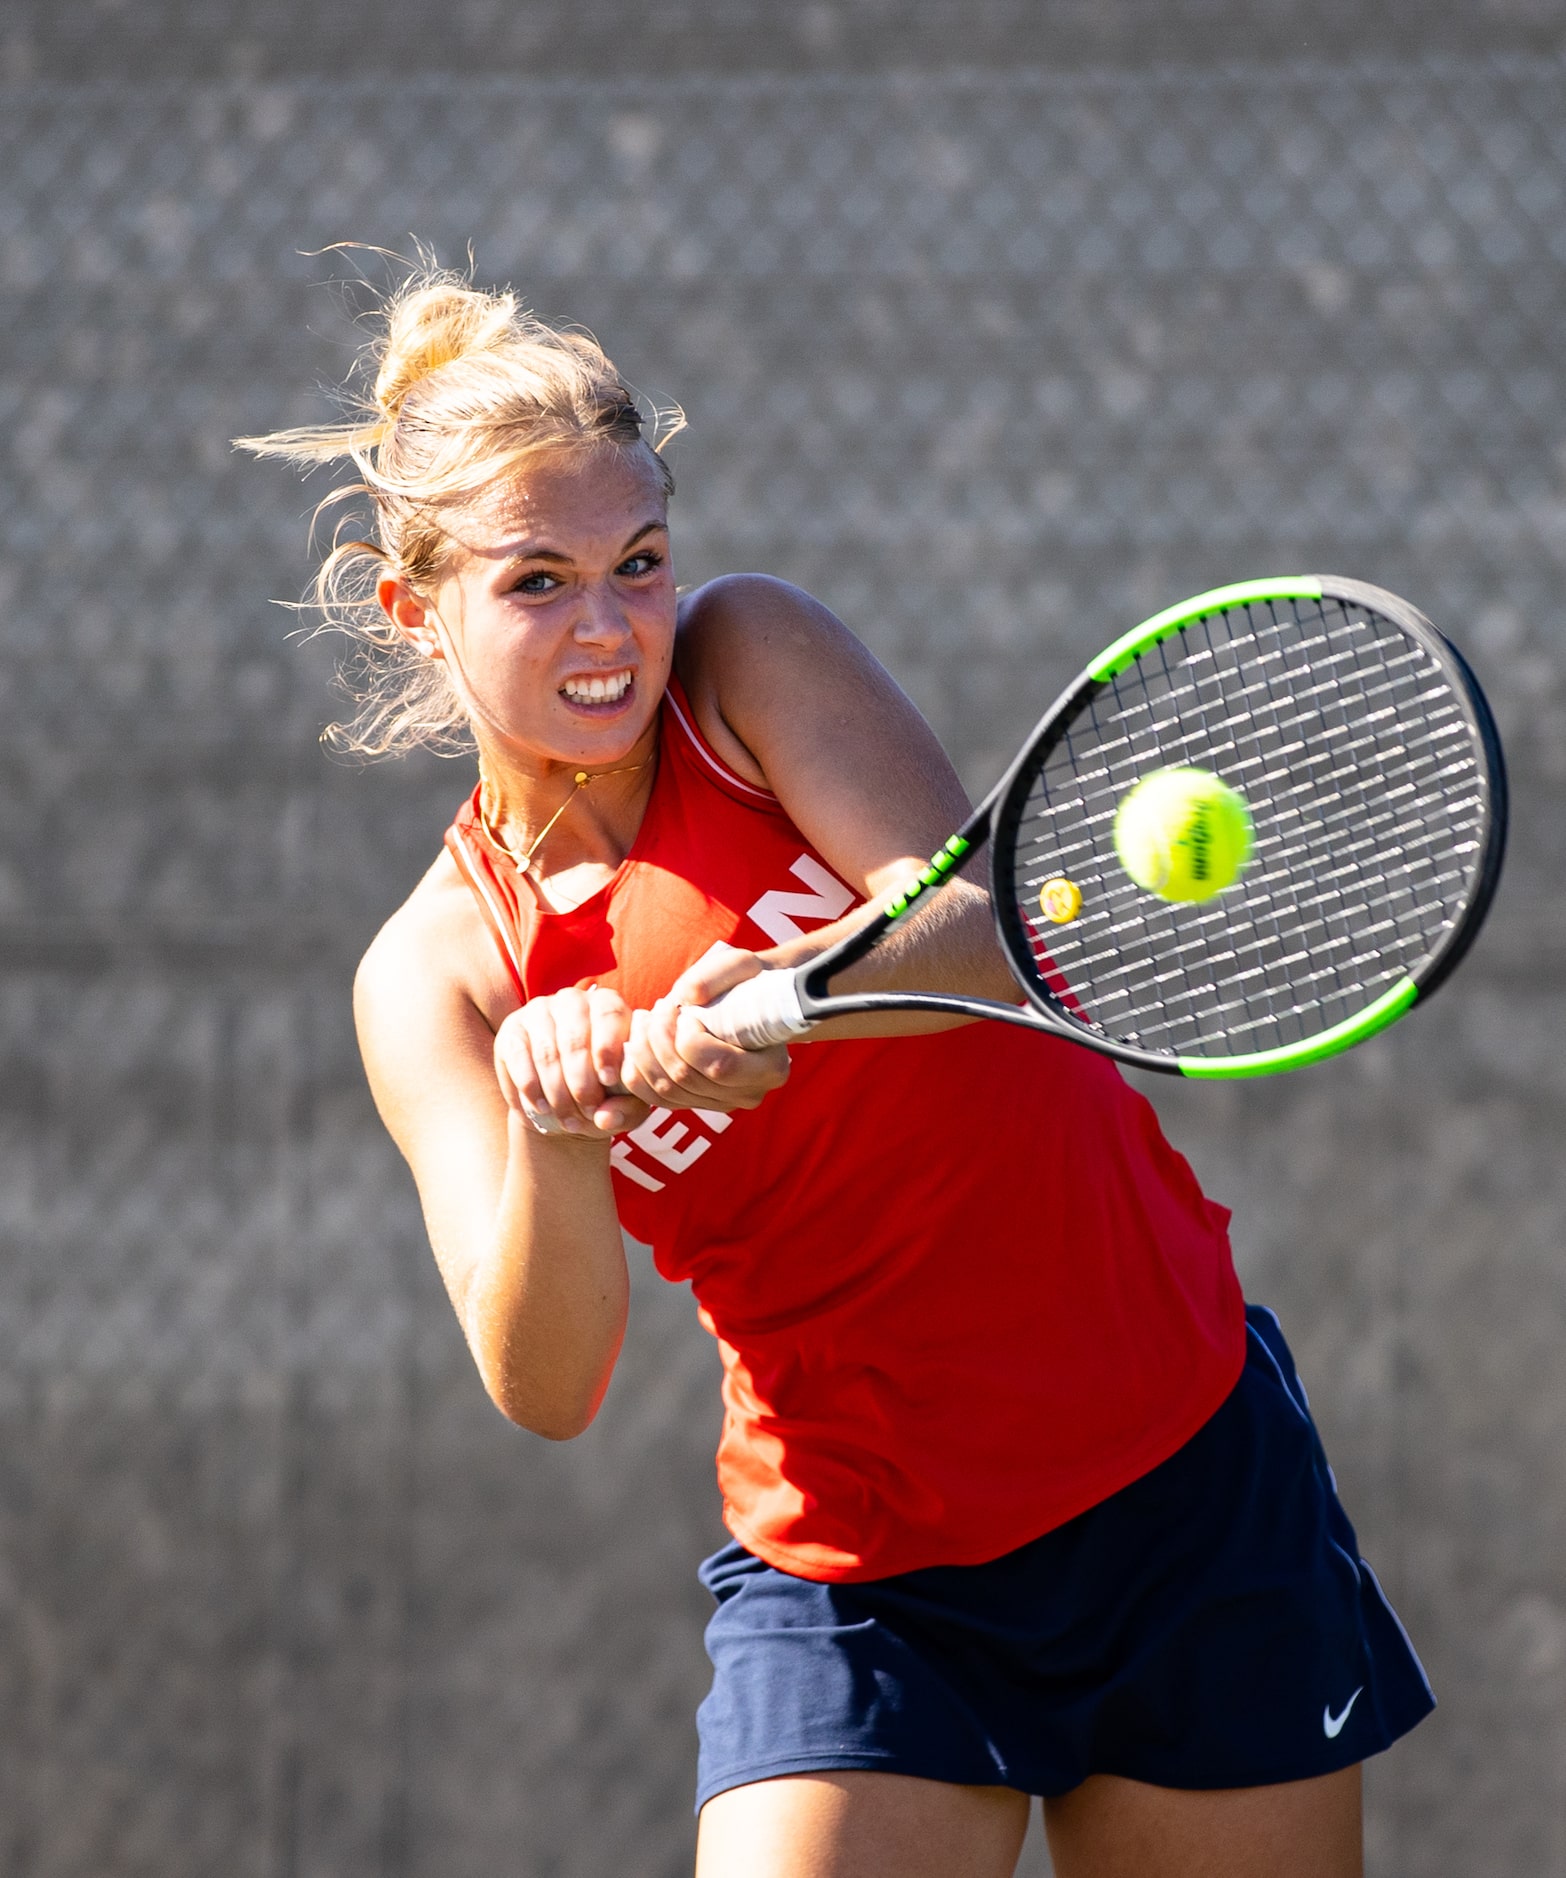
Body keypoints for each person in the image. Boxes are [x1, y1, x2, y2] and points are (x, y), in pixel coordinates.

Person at [242, 264, 1433, 1878]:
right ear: (418, 606)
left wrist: (786, 998)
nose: (609, 628)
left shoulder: (743, 658)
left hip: (1178, 1471)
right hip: (861, 1573)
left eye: (635, 563)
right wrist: (561, 1131)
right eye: (537, 581)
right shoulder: (433, 975)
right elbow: (547, 1381)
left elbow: (981, 935)